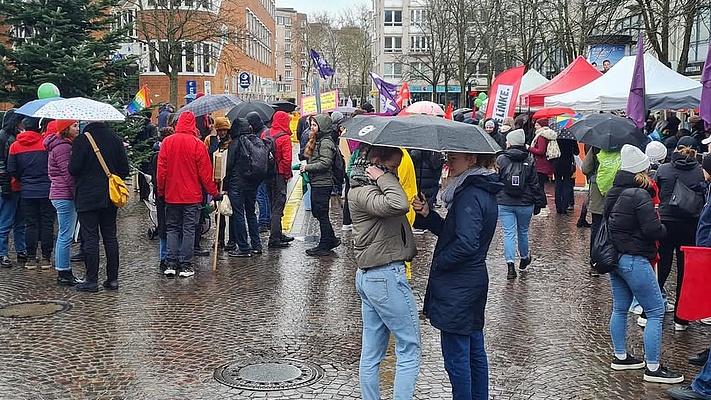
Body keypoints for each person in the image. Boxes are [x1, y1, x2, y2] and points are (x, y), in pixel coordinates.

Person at [413, 151, 502, 400]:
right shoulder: (476, 189)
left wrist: (441, 263)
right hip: (470, 282)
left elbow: (465, 243)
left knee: (458, 358)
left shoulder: (470, 195)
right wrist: (429, 216)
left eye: (454, 158)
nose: (448, 162)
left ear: (472, 160)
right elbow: (453, 232)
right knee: (474, 352)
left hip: (459, 286)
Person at [604, 144, 683, 384]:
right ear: (641, 171)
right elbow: (652, 230)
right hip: (635, 258)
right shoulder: (640, 195)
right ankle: (653, 367)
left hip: (615, 257)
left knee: (619, 308)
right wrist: (664, 228)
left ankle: (620, 356)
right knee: (656, 311)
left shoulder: (613, 191)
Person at [348, 145, 420, 400]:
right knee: (409, 347)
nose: (395, 174)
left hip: (373, 276)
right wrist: (383, 176)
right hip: (385, 276)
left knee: (371, 353)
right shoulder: (362, 190)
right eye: (392, 168)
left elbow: (397, 215)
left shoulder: (369, 188)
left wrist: (423, 211)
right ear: (376, 163)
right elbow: (398, 204)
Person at [643, 136, 706, 331]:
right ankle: (681, 318)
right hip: (690, 225)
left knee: (661, 268)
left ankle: (649, 313)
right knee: (684, 273)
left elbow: (656, 192)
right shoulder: (699, 171)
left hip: (666, 223)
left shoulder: (664, 169)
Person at [157, 111, 221, 277]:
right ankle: (186, 264)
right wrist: (214, 193)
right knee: (188, 229)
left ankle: (171, 263)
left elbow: (161, 171)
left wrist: (161, 192)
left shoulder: (167, 142)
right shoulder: (197, 144)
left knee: (172, 228)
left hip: (171, 194)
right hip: (192, 196)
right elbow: (205, 174)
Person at [68, 122, 130, 291]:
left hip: (87, 196)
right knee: (110, 236)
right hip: (110, 196)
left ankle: (92, 280)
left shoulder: (82, 140)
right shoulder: (115, 139)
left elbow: (73, 169)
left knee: (90, 238)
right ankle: (112, 279)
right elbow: (124, 169)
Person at [496, 129, 546, 279]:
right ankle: (524, 258)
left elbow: (495, 181)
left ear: (511, 142)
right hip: (525, 203)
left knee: (508, 233)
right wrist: (538, 203)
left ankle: (510, 266)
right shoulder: (529, 159)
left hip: (504, 202)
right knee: (523, 232)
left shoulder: (501, 159)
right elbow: (534, 184)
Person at [7, 117, 54, 270]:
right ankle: (46, 258)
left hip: (27, 190)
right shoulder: (46, 143)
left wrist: (23, 180)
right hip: (47, 190)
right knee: (47, 224)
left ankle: (31, 259)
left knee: (30, 224)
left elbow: (12, 169)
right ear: (39, 128)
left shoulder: (15, 146)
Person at [44, 120, 82, 285]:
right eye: (74, 126)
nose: (77, 128)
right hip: (64, 195)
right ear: (66, 129)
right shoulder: (63, 148)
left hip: (60, 194)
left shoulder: (61, 145)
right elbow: (69, 176)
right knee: (65, 235)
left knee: (64, 234)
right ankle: (63, 272)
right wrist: (78, 195)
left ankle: (63, 270)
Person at [300, 114, 339, 257]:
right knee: (318, 212)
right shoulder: (318, 140)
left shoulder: (326, 142)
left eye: (315, 125)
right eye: (311, 125)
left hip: (323, 183)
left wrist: (307, 167)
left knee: (321, 214)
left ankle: (325, 244)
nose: (312, 128)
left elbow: (325, 163)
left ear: (322, 126)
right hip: (317, 182)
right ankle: (331, 239)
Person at [225, 118, 263, 257]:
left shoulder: (235, 143)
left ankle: (243, 247)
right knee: (251, 213)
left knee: (238, 215)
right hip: (252, 184)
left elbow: (228, 166)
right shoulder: (254, 140)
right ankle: (256, 244)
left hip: (237, 185)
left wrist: (225, 185)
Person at [204, 117, 236, 251]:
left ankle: (232, 240)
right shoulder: (210, 140)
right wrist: (213, 140)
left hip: (229, 181)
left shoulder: (232, 141)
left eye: (224, 130)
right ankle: (220, 238)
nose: (222, 133)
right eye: (220, 130)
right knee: (219, 213)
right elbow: (209, 156)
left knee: (230, 211)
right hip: (216, 181)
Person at [263, 111, 294, 249]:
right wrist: (286, 175)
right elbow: (287, 160)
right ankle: (274, 238)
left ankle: (278, 232)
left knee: (271, 203)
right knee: (278, 205)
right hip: (279, 175)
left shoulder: (266, 133)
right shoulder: (285, 138)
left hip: (267, 174)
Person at [0, 109, 27, 268]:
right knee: (6, 220)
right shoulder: (5, 138)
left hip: (15, 184)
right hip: (8, 184)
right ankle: (2, 253)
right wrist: (5, 183)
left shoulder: (12, 137)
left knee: (19, 220)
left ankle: (20, 250)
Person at [247, 111, 271, 233]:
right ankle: (267, 219)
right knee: (264, 196)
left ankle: (263, 222)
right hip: (265, 169)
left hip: (260, 169)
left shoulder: (261, 134)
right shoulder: (265, 130)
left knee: (261, 196)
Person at [553, 136, 579, 214]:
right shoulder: (572, 139)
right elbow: (577, 152)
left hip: (557, 164)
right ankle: (564, 207)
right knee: (566, 185)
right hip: (568, 165)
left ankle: (558, 207)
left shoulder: (556, 138)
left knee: (558, 185)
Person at [529, 118, 556, 191]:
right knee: (541, 186)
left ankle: (541, 202)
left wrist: (529, 148)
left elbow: (541, 151)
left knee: (539, 187)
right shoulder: (547, 135)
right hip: (545, 164)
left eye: (537, 125)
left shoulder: (541, 136)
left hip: (541, 165)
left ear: (542, 126)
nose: (535, 126)